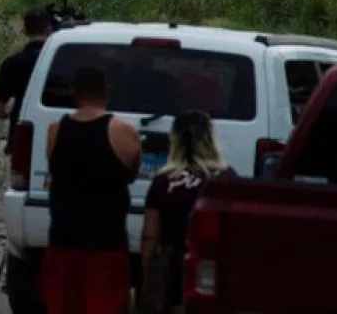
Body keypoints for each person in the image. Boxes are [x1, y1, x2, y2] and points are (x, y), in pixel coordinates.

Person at [40, 66, 141, 314]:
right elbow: (132, 174)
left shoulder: (56, 131)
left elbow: (55, 172)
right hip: (106, 243)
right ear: (107, 91)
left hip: (64, 240)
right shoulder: (123, 132)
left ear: (76, 94)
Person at [139, 111, 234, 313]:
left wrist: (148, 275)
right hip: (212, 267)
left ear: (175, 141)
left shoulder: (163, 180)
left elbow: (150, 235)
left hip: (173, 265)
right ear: (210, 139)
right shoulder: (225, 179)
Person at [0, 8, 53, 151]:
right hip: (54, 131)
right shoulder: (59, 61)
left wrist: (9, 114)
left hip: (21, 133)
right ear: (49, 29)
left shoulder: (12, 63)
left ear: (24, 31)